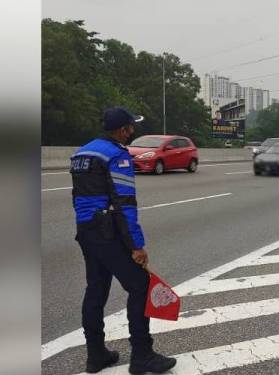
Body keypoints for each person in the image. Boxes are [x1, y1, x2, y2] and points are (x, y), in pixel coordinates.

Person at [70, 107, 177, 374]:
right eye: (130, 127)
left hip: (86, 230)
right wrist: (136, 246)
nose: (132, 132)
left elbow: (77, 197)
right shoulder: (117, 155)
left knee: (95, 290)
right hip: (108, 231)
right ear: (122, 130)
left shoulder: (81, 153)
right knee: (140, 285)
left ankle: (96, 356)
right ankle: (142, 356)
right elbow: (125, 203)